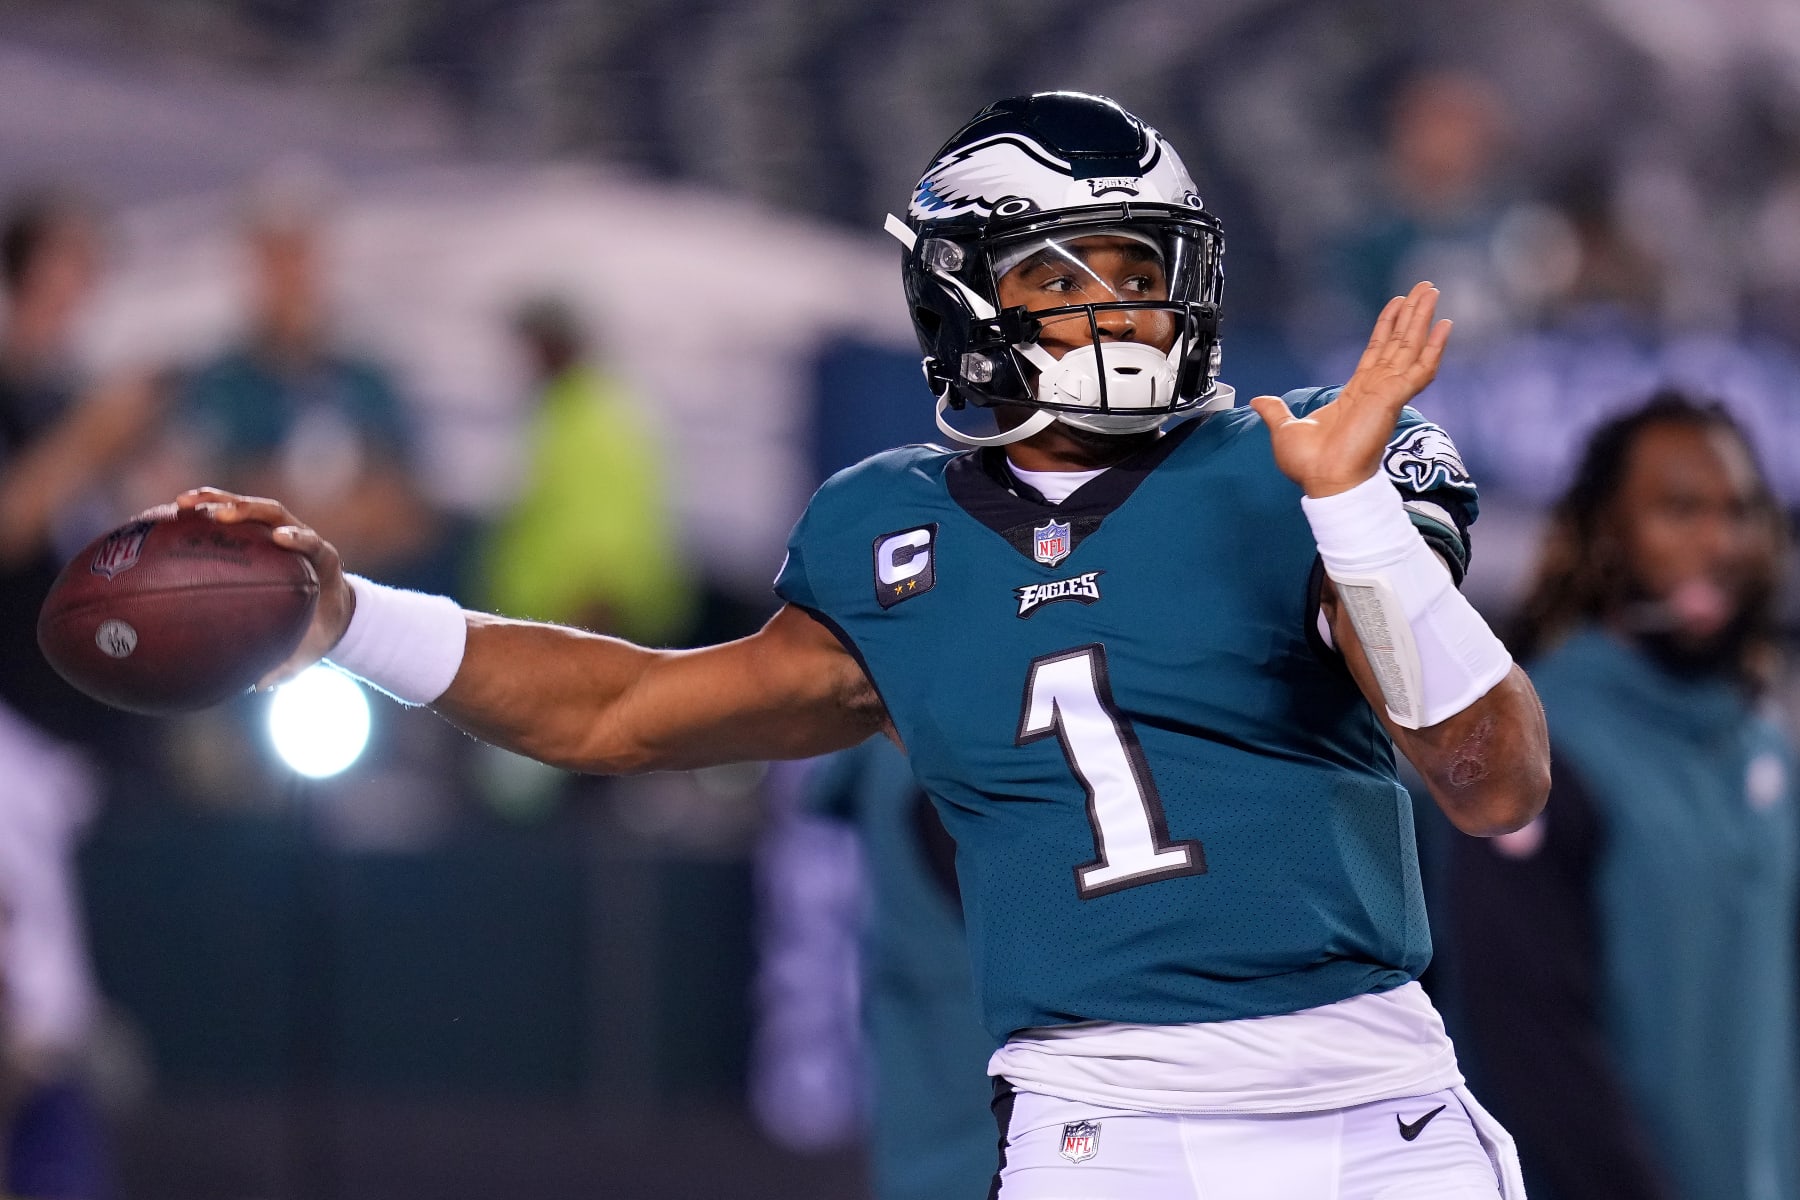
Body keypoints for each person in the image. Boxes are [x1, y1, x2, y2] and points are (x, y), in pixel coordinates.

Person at [178, 92, 1549, 1197]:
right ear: (969, 296)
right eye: (1068, 276)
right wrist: (354, 617)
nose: (1121, 309)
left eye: (1141, 270)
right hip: (1102, 1129)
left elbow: (1492, 782)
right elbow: (620, 712)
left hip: (1373, 1107)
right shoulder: (889, 536)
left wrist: (1358, 512)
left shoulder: (1299, 457)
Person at [1447, 393, 1795, 1200]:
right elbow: (1528, 1051)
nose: (1720, 540)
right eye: (1680, 510)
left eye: (1739, 510)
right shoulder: (1534, 753)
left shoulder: (1763, 746)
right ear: (1605, 537)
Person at [0, 192, 148, 1200]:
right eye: (59, 270)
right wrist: (93, 441)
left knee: (43, 1016)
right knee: (37, 1017)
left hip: (57, 750)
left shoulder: (69, 404)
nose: (75, 294)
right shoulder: (35, 408)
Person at [178, 173, 435, 578]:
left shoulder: (367, 380)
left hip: (357, 604)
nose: (288, 272)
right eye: (272, 255)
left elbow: (412, 511)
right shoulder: (217, 385)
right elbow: (189, 501)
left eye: (298, 253)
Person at [800, 737, 996, 1200]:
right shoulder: (992, 727)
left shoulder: (881, 725)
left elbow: (823, 792)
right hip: (988, 1037)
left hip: (924, 1022)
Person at [477, 295, 693, 645]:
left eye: (532, 344)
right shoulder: (566, 410)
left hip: (572, 628)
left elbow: (607, 537)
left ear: (554, 344)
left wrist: (587, 632)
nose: (522, 359)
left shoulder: (596, 418)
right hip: (548, 626)